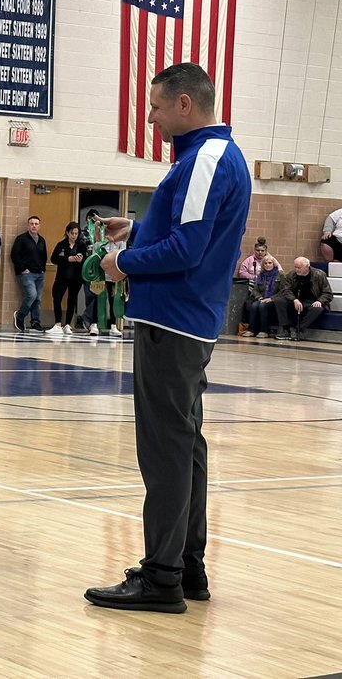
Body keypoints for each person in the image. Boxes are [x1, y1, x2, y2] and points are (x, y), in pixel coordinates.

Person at [85, 62, 251, 614]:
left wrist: (122, 263)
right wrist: (138, 229)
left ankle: (161, 578)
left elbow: (187, 250)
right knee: (185, 445)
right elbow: (185, 232)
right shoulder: (208, 157)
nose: (150, 117)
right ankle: (186, 567)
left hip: (172, 321)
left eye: (156, 106)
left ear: (185, 104)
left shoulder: (206, 158)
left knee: (165, 451)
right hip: (184, 319)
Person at [272, 257, 333, 341]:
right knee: (279, 300)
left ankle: (299, 329)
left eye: (299, 267)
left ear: (307, 267)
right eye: (295, 267)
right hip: (296, 300)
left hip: (312, 301)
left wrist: (320, 301)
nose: (296, 269)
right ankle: (285, 328)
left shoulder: (319, 274)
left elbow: (328, 293)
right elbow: (286, 290)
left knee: (317, 308)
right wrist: (294, 300)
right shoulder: (291, 274)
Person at [48, 221, 88, 336]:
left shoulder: (81, 245)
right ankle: (58, 323)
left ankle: (68, 325)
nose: (74, 236)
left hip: (76, 277)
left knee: (72, 300)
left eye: (76, 233)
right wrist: (68, 259)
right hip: (62, 276)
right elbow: (54, 258)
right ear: (67, 233)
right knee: (57, 297)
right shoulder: (61, 244)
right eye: (72, 233)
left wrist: (81, 260)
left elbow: (86, 259)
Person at [10, 216, 47, 332]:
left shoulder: (42, 240)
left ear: (39, 226)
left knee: (37, 299)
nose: (34, 226)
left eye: (36, 224)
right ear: (28, 226)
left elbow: (44, 256)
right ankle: (20, 316)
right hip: (26, 273)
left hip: (39, 273)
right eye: (31, 223)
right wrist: (22, 268)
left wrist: (42, 269)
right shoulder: (21, 239)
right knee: (32, 295)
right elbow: (14, 255)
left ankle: (35, 322)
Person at [242, 255, 280, 338]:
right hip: (262, 298)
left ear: (274, 264)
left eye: (270, 263)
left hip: (274, 299)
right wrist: (259, 297)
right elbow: (255, 290)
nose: (267, 265)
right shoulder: (260, 275)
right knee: (254, 305)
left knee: (262, 306)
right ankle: (251, 330)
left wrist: (271, 298)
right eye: (265, 263)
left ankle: (264, 331)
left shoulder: (280, 275)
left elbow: (283, 291)